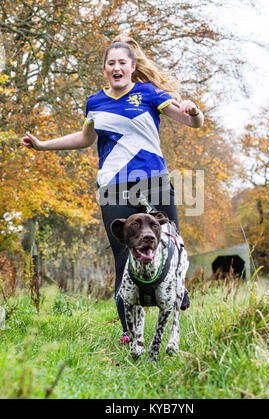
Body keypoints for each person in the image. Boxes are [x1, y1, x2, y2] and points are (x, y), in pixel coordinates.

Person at [21, 36, 204, 343]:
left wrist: (194, 111)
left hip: (154, 181)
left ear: (132, 67)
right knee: (124, 255)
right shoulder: (95, 102)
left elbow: (192, 122)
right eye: (111, 63)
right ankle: (129, 333)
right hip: (113, 186)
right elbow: (84, 139)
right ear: (104, 69)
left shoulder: (148, 93)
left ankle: (177, 288)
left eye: (122, 63)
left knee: (170, 241)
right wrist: (42, 145)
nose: (116, 68)